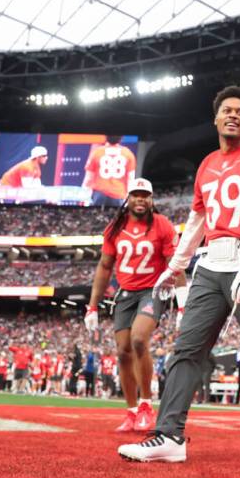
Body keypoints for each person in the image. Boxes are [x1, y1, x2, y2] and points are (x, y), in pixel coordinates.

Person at [118, 85, 240, 466]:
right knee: (186, 349)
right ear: (216, 119)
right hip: (211, 263)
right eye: (226, 110)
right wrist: (177, 264)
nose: (233, 115)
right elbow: (198, 220)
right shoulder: (205, 165)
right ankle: (170, 434)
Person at [85, 177, 181, 431]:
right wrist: (92, 306)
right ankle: (130, 411)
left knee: (139, 339)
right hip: (125, 294)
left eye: (145, 195)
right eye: (136, 195)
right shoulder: (115, 227)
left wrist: (183, 302)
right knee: (123, 350)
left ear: (151, 200)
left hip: (153, 290)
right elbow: (105, 267)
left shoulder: (162, 225)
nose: (140, 199)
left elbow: (176, 264)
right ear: (128, 198)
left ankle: (146, 405)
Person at [83, 136, 137, 206]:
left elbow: (89, 177)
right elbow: (131, 179)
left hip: (99, 194)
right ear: (121, 138)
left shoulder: (97, 152)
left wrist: (85, 196)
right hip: (118, 194)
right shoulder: (128, 154)